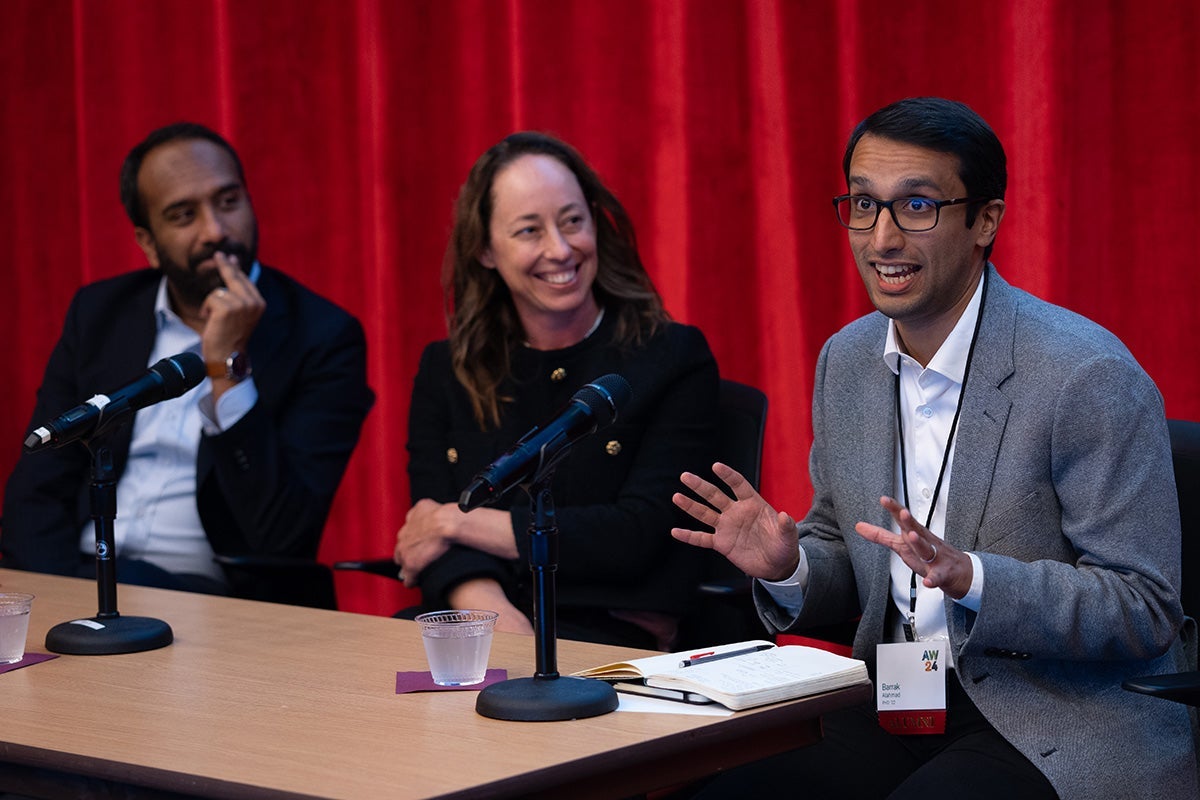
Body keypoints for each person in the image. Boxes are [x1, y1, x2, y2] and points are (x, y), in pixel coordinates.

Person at [672, 97, 1197, 798]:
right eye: (864, 204)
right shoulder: (848, 361)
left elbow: (1144, 605)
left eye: (916, 206)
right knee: (713, 789)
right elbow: (845, 544)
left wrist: (973, 578)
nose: (881, 237)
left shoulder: (1084, 375)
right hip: (898, 700)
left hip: (1053, 714)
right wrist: (791, 564)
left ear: (986, 220)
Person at [1, 122, 375, 595]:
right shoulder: (100, 314)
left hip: (223, 603)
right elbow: (38, 488)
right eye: (183, 216)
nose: (215, 231)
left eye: (228, 202)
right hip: (80, 578)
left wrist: (227, 368)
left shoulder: (322, 335)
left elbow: (282, 535)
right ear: (147, 244)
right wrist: (49, 599)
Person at [393, 131, 719, 650]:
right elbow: (427, 536)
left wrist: (458, 522)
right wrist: (492, 612)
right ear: (484, 250)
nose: (560, 249)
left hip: (612, 640)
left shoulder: (670, 356)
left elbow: (637, 535)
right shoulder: (446, 368)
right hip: (477, 620)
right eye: (529, 230)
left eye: (572, 221)